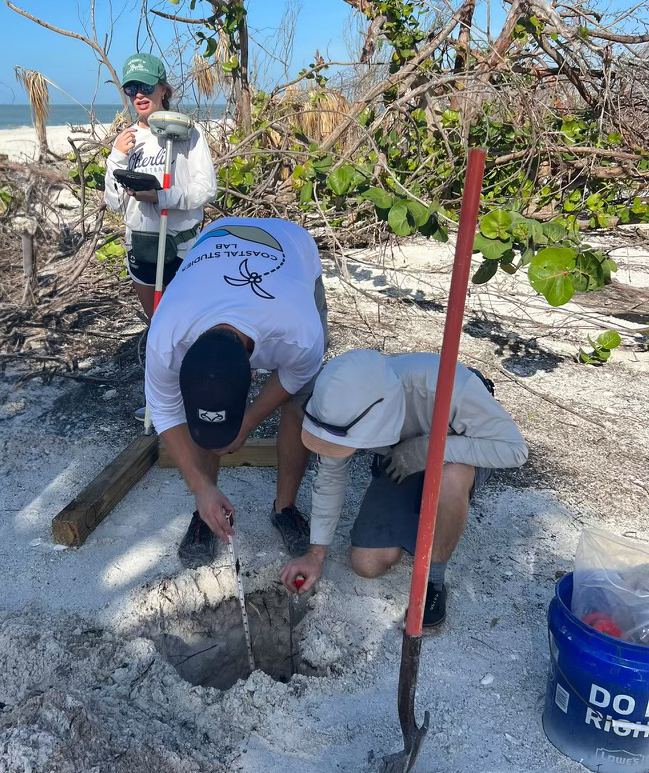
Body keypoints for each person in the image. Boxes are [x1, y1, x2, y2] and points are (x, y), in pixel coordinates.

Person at [279, 349, 528, 628]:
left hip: (460, 446)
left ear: (381, 414)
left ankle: (434, 580)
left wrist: (430, 448)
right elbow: (330, 475)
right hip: (398, 452)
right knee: (367, 563)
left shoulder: (448, 387)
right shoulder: (341, 399)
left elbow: (515, 450)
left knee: (452, 478)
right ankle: (423, 512)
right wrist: (316, 554)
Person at [145, 217, 327, 564]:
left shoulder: (298, 332)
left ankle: (285, 507)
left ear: (253, 371)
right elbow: (166, 411)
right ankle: (204, 513)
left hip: (292, 246)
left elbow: (293, 379)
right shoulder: (165, 339)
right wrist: (201, 488)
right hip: (217, 243)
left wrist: (246, 422)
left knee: (300, 403)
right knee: (210, 417)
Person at [105, 53, 217, 319]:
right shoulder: (127, 139)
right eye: (132, 89)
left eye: (146, 87)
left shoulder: (190, 132)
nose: (139, 96)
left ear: (163, 89)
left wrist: (162, 197)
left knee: (187, 322)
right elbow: (113, 203)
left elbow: (207, 188)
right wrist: (116, 157)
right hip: (140, 245)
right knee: (157, 323)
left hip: (181, 246)